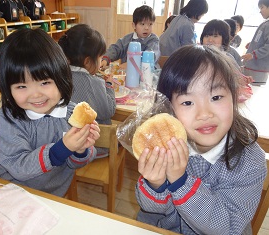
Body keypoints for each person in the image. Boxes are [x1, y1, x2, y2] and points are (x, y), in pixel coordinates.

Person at [135, 45, 267, 234]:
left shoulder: (250, 161)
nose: (204, 113)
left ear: (234, 97)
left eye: (216, 97)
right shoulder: (166, 144)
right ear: (168, 107)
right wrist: (155, 184)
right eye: (187, 102)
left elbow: (229, 228)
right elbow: (150, 212)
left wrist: (181, 182)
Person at [0, 28, 100, 197]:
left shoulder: (72, 114)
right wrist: (61, 149)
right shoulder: (8, 119)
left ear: (61, 78)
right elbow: (18, 166)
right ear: (7, 88)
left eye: (44, 82)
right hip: (2, 186)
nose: (35, 94)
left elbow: (75, 164)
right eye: (21, 86)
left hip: (48, 194)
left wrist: (80, 149)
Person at [59, 24, 116, 158]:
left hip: (65, 145)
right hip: (93, 148)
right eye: (100, 57)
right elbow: (110, 109)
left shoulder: (59, 77)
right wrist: (108, 85)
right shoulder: (95, 82)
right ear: (87, 62)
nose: (101, 61)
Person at [242, 0, 269, 85]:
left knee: (251, 91)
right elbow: (262, 41)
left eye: (262, 7)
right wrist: (252, 44)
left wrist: (253, 54)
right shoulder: (266, 24)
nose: (260, 11)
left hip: (258, 69)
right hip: (252, 66)